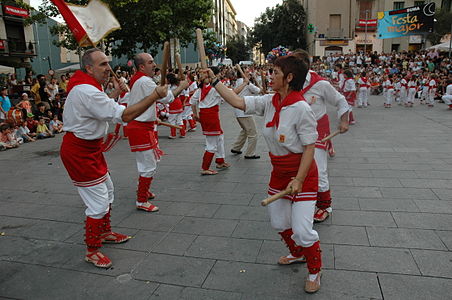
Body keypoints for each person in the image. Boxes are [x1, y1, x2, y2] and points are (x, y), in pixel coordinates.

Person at [205, 55, 323, 293]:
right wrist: (214, 81)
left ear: (289, 78)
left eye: (275, 72)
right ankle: (297, 253)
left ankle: (315, 270)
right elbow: (238, 102)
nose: (270, 76)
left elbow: (310, 147)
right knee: (279, 221)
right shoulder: (270, 101)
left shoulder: (301, 109)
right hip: (279, 173)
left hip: (303, 175)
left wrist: (299, 179)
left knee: (302, 229)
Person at [60, 48, 169, 269]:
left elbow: (97, 108)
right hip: (80, 153)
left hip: (90, 150)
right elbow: (124, 115)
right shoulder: (87, 91)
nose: (108, 69)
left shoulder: (86, 87)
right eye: (102, 65)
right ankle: (92, 249)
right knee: (98, 204)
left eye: (108, 63)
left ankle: (105, 232)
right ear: (88, 68)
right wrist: (155, 96)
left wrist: (113, 95)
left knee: (108, 192)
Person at [125, 52, 187, 212]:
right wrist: (182, 86)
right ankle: (141, 200)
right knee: (148, 165)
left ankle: (144, 191)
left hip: (141, 125)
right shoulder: (145, 81)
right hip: (140, 128)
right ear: (141, 66)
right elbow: (167, 98)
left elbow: (146, 102)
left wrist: (153, 117)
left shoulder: (139, 79)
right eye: (150, 62)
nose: (154, 65)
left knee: (146, 163)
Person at [293, 49, 349, 223]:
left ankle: (325, 206)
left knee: (319, 169)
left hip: (318, 131)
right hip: (297, 132)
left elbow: (340, 100)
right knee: (298, 166)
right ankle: (304, 199)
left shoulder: (321, 84)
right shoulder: (290, 80)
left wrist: (344, 120)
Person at [191, 66, 231, 175]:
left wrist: (195, 114)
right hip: (211, 117)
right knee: (211, 143)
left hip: (205, 115)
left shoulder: (200, 89)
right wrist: (244, 84)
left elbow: (192, 102)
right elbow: (230, 95)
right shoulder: (214, 89)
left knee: (219, 137)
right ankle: (205, 168)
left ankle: (220, 160)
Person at [230, 68, 262, 159]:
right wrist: (255, 82)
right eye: (247, 72)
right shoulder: (245, 82)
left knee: (245, 130)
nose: (249, 73)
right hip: (245, 111)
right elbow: (258, 90)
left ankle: (236, 147)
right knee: (253, 133)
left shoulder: (239, 81)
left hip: (239, 111)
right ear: (242, 73)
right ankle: (250, 153)